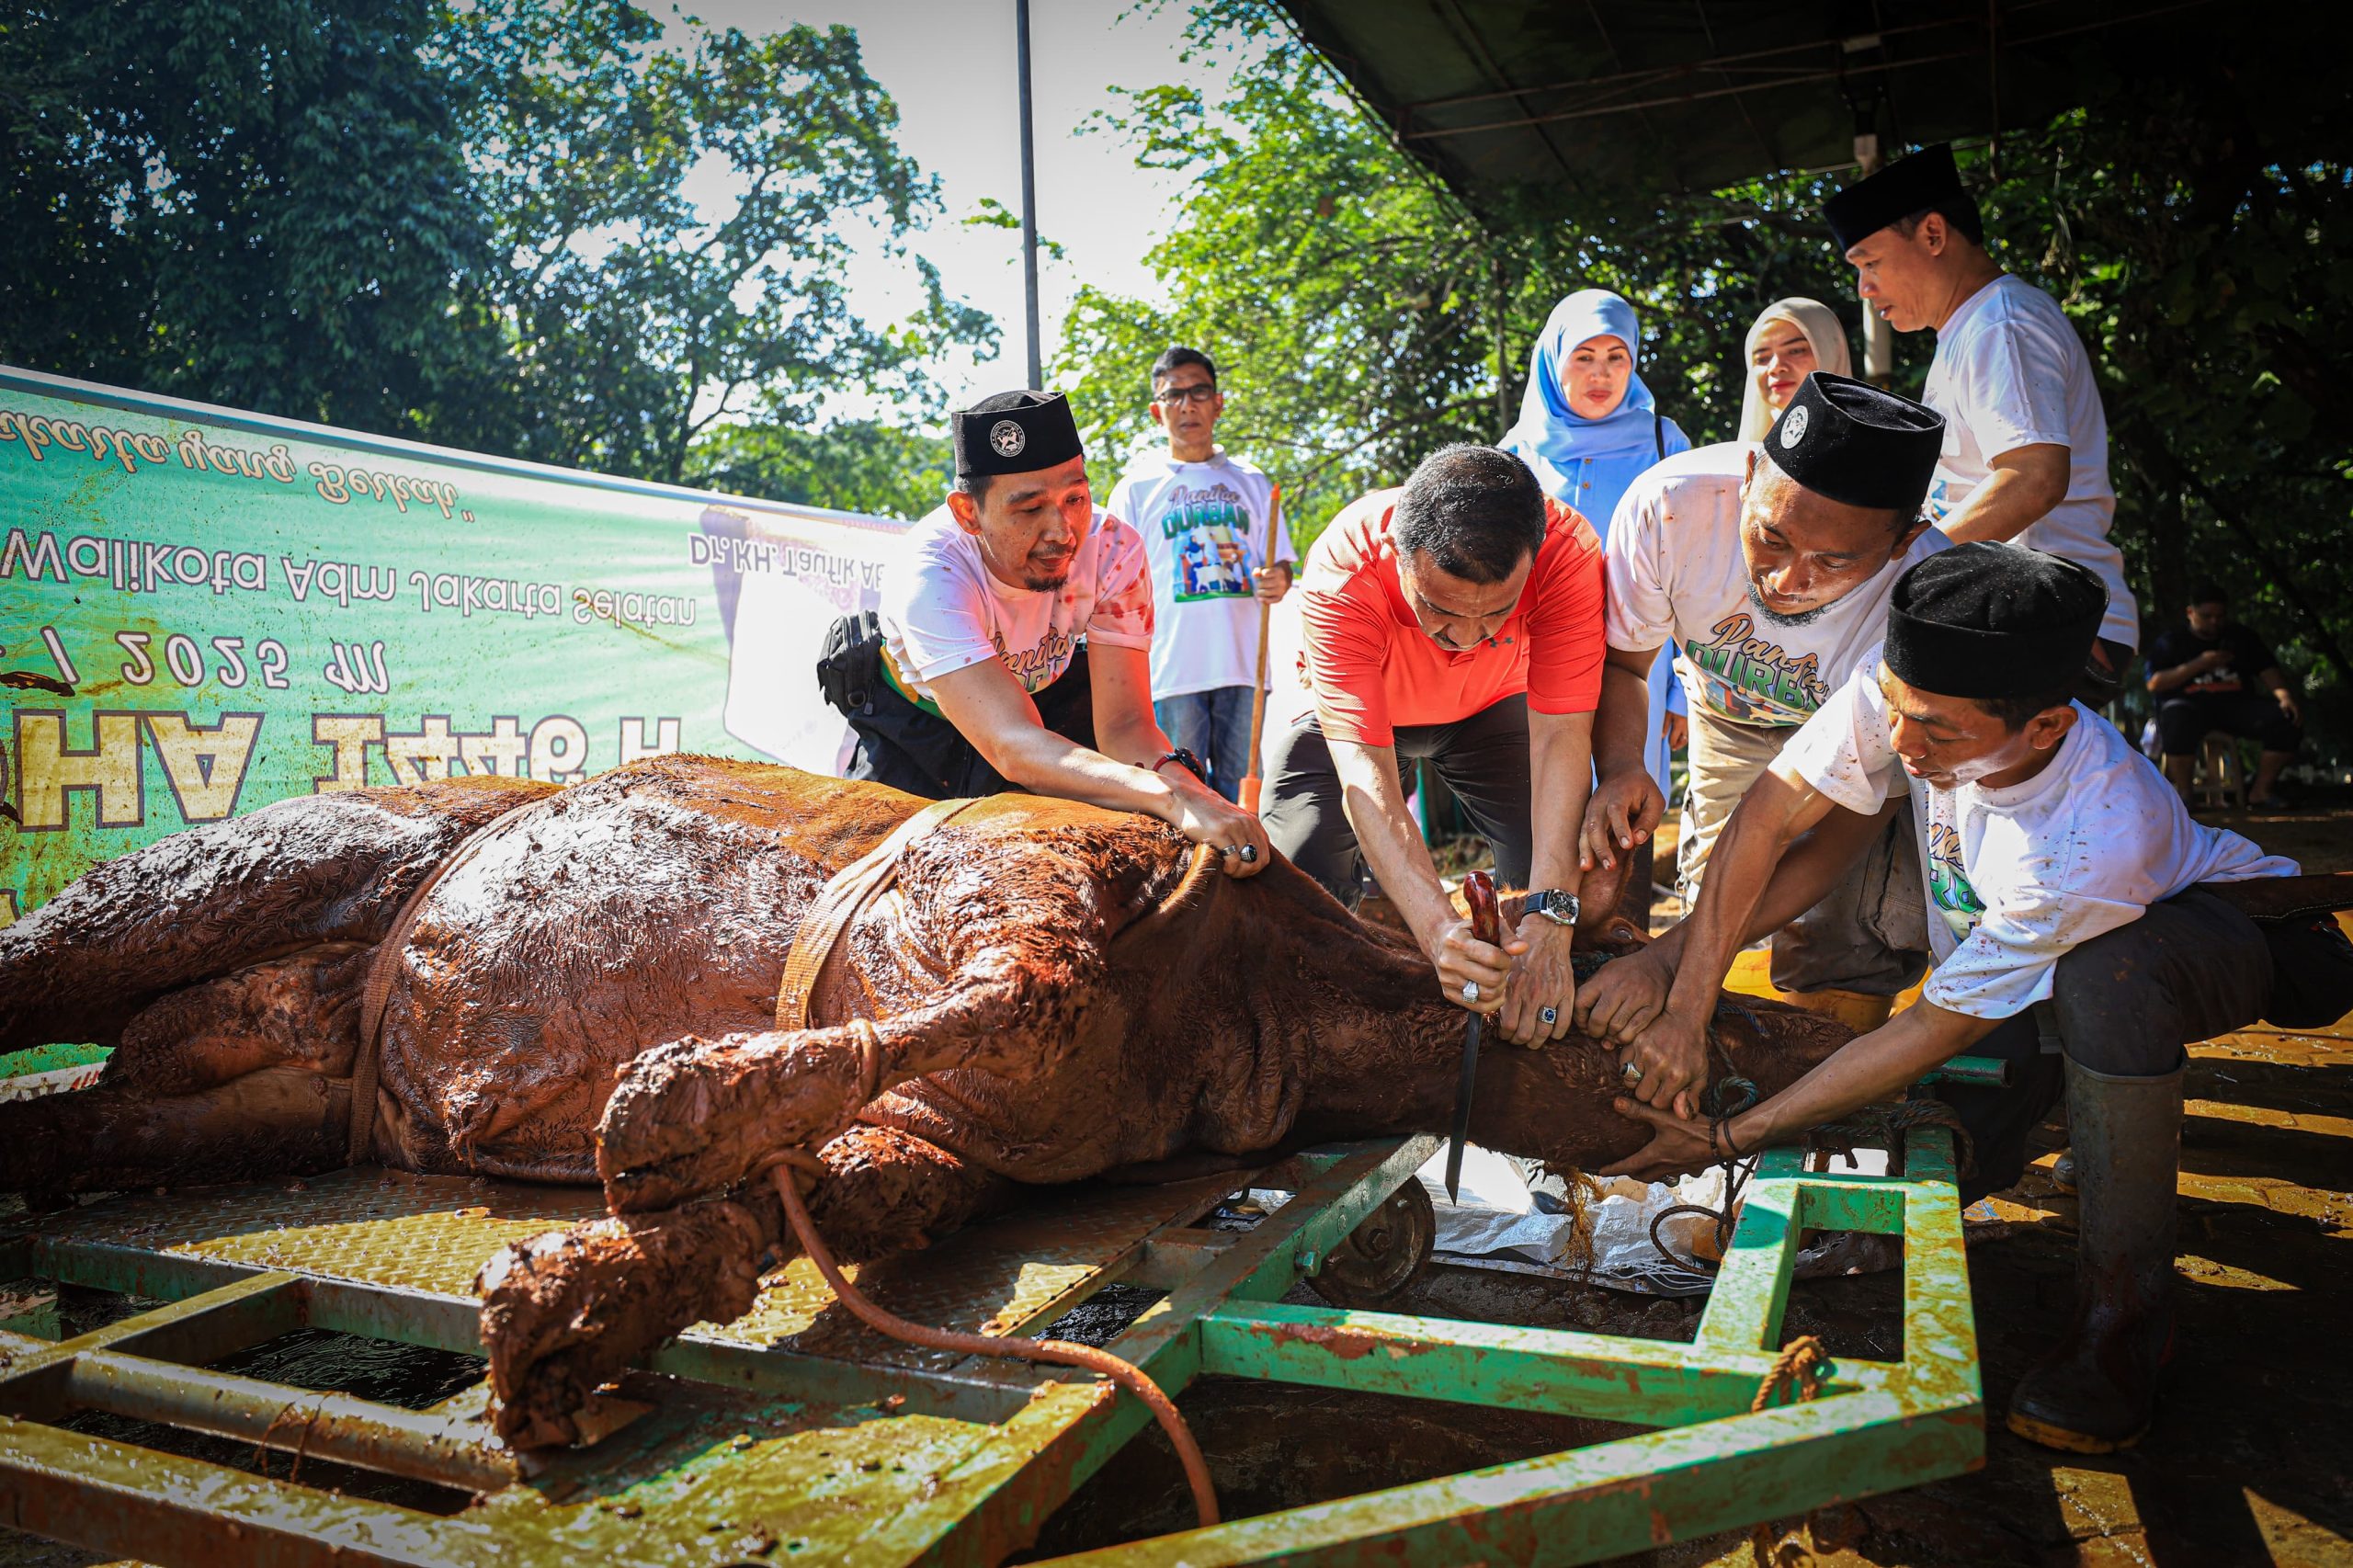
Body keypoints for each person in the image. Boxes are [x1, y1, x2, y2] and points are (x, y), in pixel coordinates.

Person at [1583, 541, 2353, 1454]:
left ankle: (2125, 1321)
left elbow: (1935, 1023)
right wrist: (1675, 979)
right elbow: (1769, 813)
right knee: (1962, 1118)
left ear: (2047, 725)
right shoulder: (1912, 692)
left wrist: (1731, 1135)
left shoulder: (2094, 834)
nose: (1903, 743)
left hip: (2237, 931)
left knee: (2103, 981)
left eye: (1937, 733)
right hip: (2034, 946)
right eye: (1895, 711)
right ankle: (2015, 1129)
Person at [1583, 372, 1946, 1033]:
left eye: (1833, 563)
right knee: (1711, 899)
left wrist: (1670, 958)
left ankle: (1824, 1056)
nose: (1786, 580)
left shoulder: (1923, 601)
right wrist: (1623, 765)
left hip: (1848, 749)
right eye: (1771, 538)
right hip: (1726, 720)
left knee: (1841, 932)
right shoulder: (1669, 506)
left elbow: (1843, 831)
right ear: (1749, 476)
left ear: (1901, 544)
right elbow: (1628, 666)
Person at [838, 388, 1269, 876]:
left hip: (1042, 717)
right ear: (968, 513)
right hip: (921, 729)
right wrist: (1172, 798)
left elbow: (1126, 726)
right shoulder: (931, 573)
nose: (1062, 531)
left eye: (1075, 499)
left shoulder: (1112, 549)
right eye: (1029, 509)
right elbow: (1010, 744)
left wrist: (1201, 798)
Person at [1262, 444, 1603, 1045]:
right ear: (1397, 551)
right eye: (1439, 609)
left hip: (1492, 705)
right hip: (1364, 719)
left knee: (1574, 864)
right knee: (1297, 871)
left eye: (1498, 612)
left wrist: (1551, 916)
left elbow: (1562, 737)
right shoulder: (1344, 568)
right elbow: (1364, 773)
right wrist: (1436, 928)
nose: (1466, 638)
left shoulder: (1567, 552)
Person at [1825, 144, 2139, 701]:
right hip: (2016, 617)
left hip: (2043, 624)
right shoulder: (1970, 329)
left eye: (1870, 263)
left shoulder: (2001, 324)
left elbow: (2033, 476)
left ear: (1933, 234)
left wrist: (1908, 570)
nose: (1864, 289)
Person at [1500, 288, 1693, 916]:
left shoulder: (1665, 443)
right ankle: (1536, 943)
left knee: (1623, 795)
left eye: (1617, 358)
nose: (1602, 374)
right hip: (1537, 661)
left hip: (1640, 661)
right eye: (1584, 357)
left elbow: (1690, 571)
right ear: (1552, 363)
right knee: (1540, 802)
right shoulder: (1516, 453)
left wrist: (1678, 693)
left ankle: (1620, 942)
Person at [1102, 347, 1294, 802]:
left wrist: (1279, 579)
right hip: (1171, 669)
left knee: (1240, 793)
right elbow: (1112, 583)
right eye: (1174, 395)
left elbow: (1281, 563)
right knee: (1181, 794)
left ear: (1218, 403)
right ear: (1157, 411)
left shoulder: (1253, 481)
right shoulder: (1135, 490)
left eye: (1199, 392)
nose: (1187, 405)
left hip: (1243, 664)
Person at [2145, 584, 2304, 808]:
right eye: (2206, 616)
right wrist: (2200, 664)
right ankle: (2185, 795)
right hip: (2189, 708)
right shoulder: (2171, 641)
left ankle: (2260, 792)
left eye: (2220, 616)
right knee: (2176, 717)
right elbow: (2154, 683)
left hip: (2237, 707)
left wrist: (2285, 697)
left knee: (2287, 718)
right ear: (2190, 612)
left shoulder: (2241, 637)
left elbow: (2267, 669)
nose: (2214, 622)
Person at [1735, 297, 1851, 443]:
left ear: (1832, 353)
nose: (1775, 367)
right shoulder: (1741, 456)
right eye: (1762, 358)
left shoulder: (1870, 446)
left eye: (1795, 351)